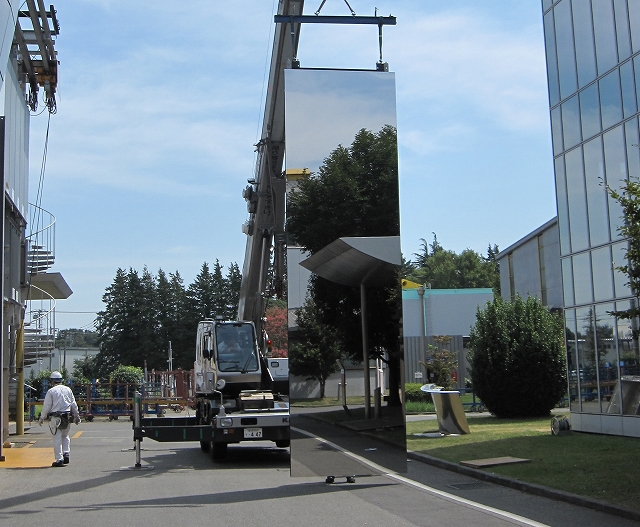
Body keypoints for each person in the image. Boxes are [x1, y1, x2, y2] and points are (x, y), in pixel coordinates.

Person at [39, 371, 80, 467]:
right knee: (65, 436)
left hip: (56, 418)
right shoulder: (68, 389)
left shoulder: (51, 391)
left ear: (52, 381)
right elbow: (73, 404)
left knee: (57, 438)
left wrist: (42, 417)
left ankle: (59, 459)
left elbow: (47, 406)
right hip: (67, 416)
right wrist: (77, 416)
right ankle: (66, 453)